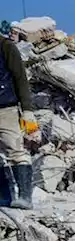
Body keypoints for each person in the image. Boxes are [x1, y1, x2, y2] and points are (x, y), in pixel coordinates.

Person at [0, 30, 34, 209]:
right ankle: (4, 197)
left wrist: (27, 109)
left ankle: (25, 197)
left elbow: (20, 78)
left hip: (6, 108)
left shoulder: (5, 46)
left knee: (15, 151)